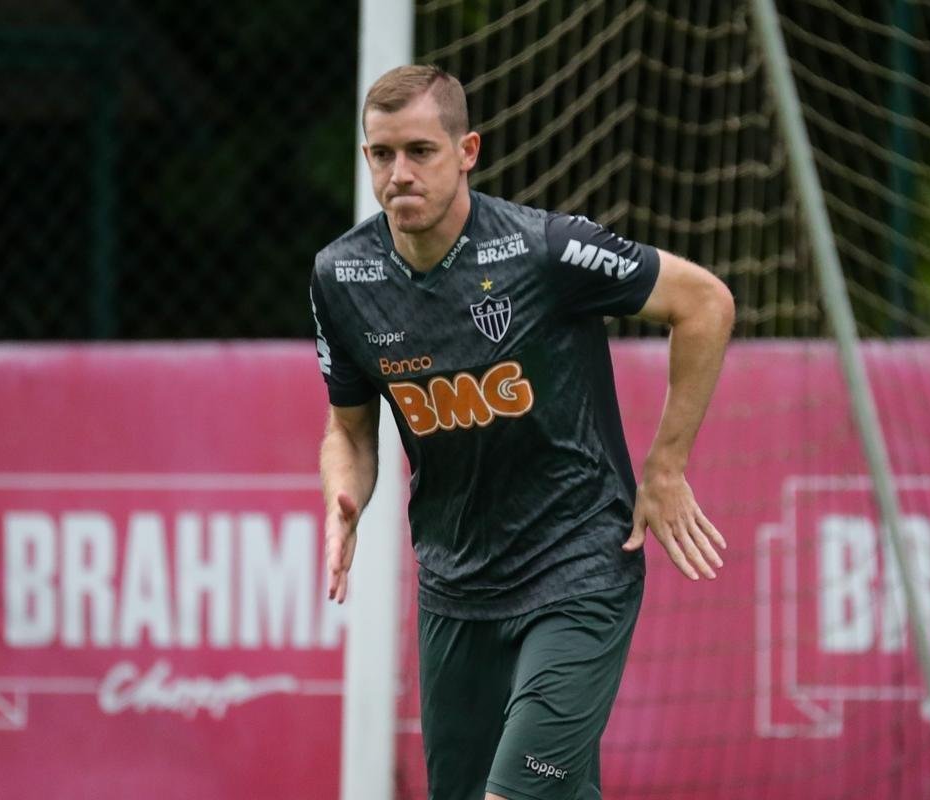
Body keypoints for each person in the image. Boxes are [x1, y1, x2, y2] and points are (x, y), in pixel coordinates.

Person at [311, 65, 734, 800]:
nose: (399, 173)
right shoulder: (340, 277)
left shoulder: (547, 249)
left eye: (420, 151)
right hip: (457, 586)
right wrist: (343, 496)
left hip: (578, 568)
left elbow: (705, 302)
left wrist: (665, 468)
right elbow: (348, 431)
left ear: (467, 149)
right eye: (382, 154)